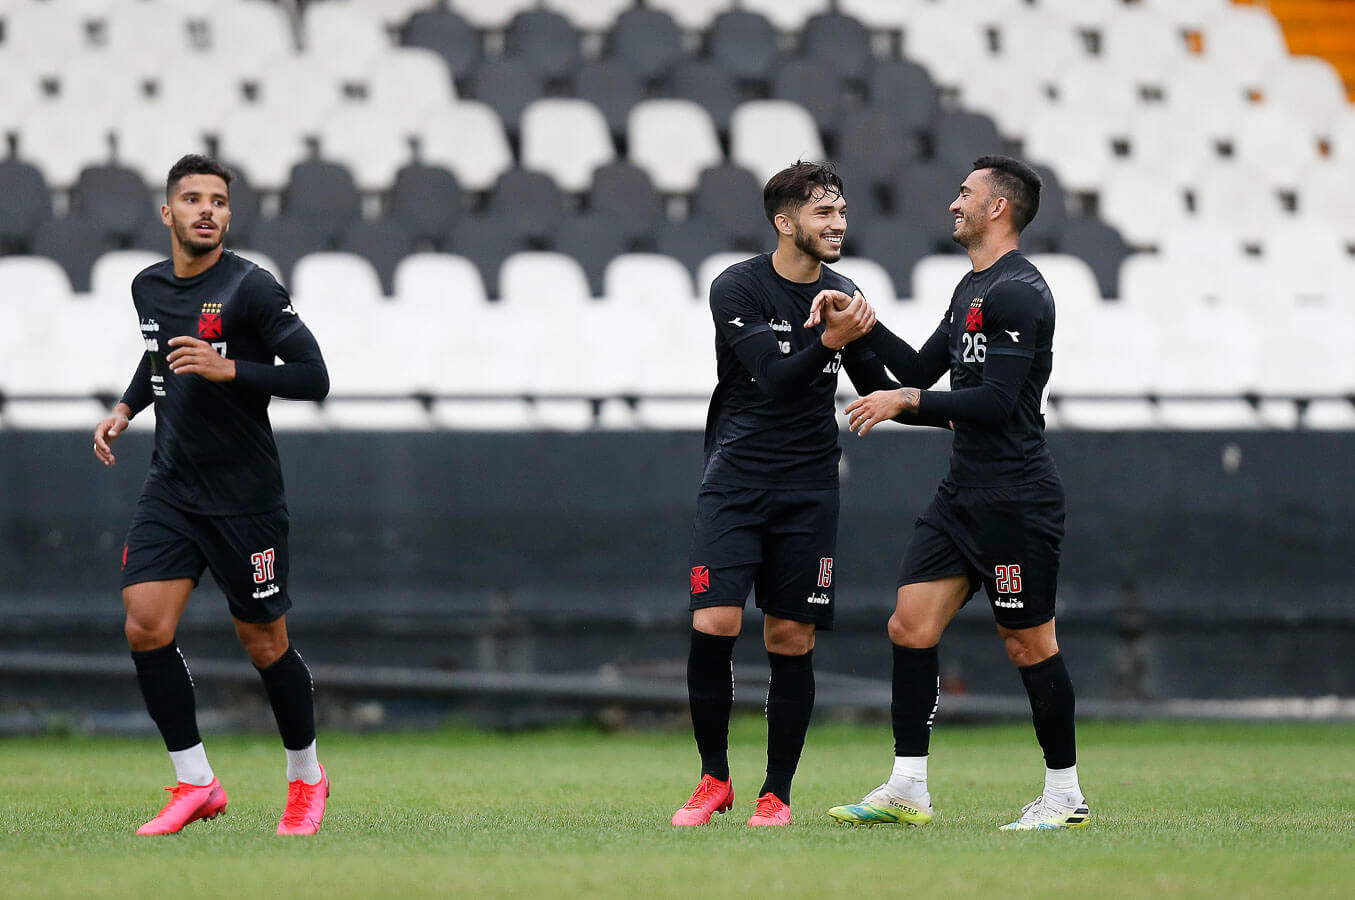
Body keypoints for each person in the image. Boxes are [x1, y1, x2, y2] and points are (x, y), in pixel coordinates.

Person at [818, 155, 1090, 831]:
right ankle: (908, 786)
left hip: (1014, 498)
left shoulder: (1020, 291)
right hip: (961, 494)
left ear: (998, 207)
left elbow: (995, 403)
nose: (952, 204)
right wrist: (858, 328)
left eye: (964, 194)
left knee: (1028, 644)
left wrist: (902, 400)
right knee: (908, 625)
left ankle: (1064, 796)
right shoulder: (971, 288)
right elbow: (913, 368)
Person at [92, 154, 332, 836]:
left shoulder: (252, 289)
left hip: (245, 495)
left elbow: (314, 377)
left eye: (219, 201)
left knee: (262, 642)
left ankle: (305, 778)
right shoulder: (147, 286)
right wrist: (128, 407)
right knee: (144, 622)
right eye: (193, 198)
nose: (207, 209)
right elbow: (158, 354)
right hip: (172, 486)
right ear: (167, 213)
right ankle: (196, 783)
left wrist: (231, 369)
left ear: (229, 214)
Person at [672, 161, 895, 828]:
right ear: (785, 221)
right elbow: (771, 377)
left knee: (791, 638)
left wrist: (923, 392)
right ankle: (713, 778)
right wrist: (825, 333)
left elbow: (880, 373)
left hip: (807, 489)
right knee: (713, 622)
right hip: (735, 481)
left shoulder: (844, 291)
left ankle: (776, 794)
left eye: (842, 213)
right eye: (824, 213)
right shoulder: (736, 285)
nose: (838, 225)